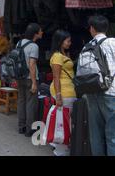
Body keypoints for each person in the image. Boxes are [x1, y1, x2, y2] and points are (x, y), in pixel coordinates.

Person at [79, 15, 115, 156]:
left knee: (96, 135)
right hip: (111, 93)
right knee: (112, 136)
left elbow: (80, 73)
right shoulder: (113, 43)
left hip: (92, 93)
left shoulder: (86, 47)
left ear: (92, 29)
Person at [49, 29, 76, 156]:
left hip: (67, 91)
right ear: (60, 41)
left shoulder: (63, 55)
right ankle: (61, 149)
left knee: (63, 120)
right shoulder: (57, 56)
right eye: (68, 41)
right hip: (64, 92)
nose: (70, 43)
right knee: (64, 122)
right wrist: (59, 95)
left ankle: (58, 144)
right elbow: (56, 77)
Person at [17, 23, 43, 137]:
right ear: (35, 33)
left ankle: (21, 126)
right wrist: (33, 82)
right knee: (31, 103)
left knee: (21, 101)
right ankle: (29, 129)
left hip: (20, 77)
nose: (42, 32)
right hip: (29, 78)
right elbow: (32, 64)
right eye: (40, 31)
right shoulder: (34, 46)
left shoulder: (19, 43)